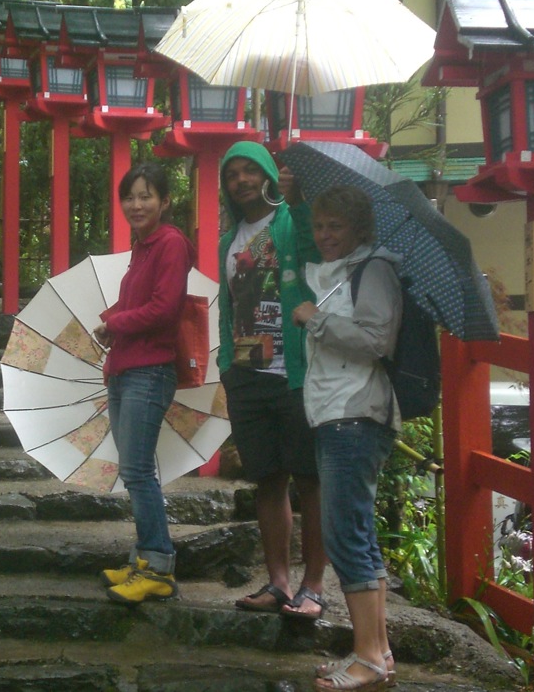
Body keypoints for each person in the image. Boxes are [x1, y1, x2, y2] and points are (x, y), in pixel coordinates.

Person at [292, 184, 402, 690]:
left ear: (359, 227)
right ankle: (377, 650)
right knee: (357, 533)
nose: (325, 235)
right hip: (339, 413)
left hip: (354, 414)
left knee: (346, 535)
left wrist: (317, 322)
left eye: (335, 225)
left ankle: (366, 658)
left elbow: (377, 340)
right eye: (319, 226)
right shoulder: (342, 273)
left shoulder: (373, 268)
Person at [217, 141, 328, 620]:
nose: (241, 180)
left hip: (293, 373)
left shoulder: (289, 220)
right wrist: (225, 362)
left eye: (249, 170)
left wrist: (299, 200)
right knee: (267, 479)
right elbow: (227, 304)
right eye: (232, 174)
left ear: (266, 173)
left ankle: (316, 585)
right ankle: (279, 581)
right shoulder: (230, 239)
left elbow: (311, 249)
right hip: (246, 374)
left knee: (310, 479)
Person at [93, 162, 194, 604]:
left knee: (137, 470)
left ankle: (157, 566)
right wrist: (112, 322)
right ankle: (143, 558)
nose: (136, 204)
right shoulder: (142, 248)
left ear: (165, 201)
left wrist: (118, 320)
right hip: (126, 366)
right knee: (134, 469)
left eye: (146, 195)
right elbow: (140, 302)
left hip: (150, 371)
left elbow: (164, 309)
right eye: (129, 197)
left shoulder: (170, 243)